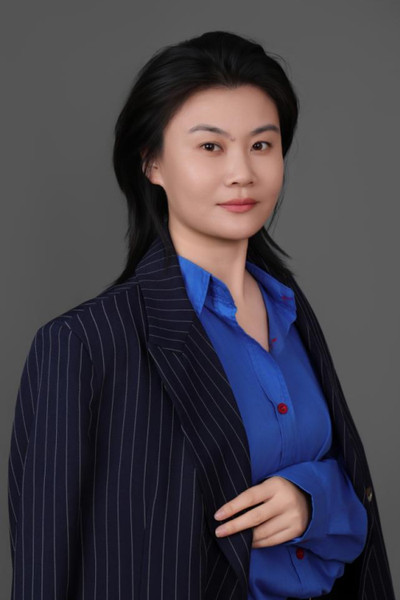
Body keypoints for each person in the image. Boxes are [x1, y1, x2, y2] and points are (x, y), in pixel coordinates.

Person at [7, 30, 396, 600]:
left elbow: (355, 506)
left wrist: (313, 499)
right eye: (211, 147)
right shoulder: (83, 343)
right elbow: (45, 569)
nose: (242, 172)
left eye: (261, 145)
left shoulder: (291, 312)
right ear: (151, 162)